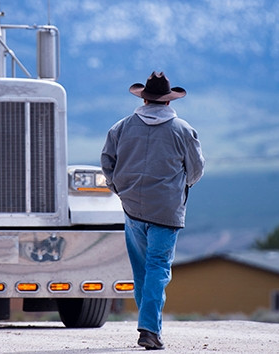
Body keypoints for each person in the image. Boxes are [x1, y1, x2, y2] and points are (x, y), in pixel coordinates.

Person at [101, 71, 205, 350]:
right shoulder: (183, 130)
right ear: (169, 101)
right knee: (158, 268)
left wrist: (119, 189)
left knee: (142, 273)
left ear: (144, 98)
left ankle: (150, 328)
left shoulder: (121, 127)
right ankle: (149, 329)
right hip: (167, 211)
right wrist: (180, 187)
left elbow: (107, 163)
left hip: (132, 209)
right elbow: (196, 171)